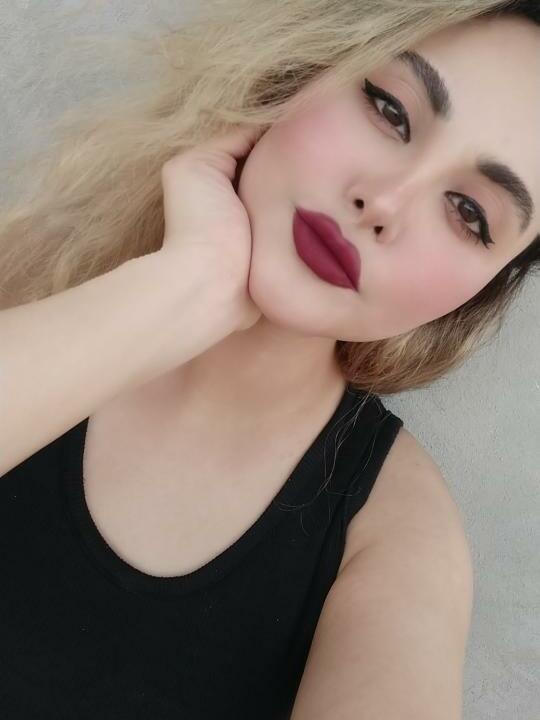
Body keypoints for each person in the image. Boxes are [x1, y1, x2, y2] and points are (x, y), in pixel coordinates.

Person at [0, 1, 538, 718]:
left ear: (478, 294)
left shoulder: (399, 544)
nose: (383, 201)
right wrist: (184, 287)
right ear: (296, 71)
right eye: (390, 110)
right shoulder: (20, 283)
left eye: (470, 213)